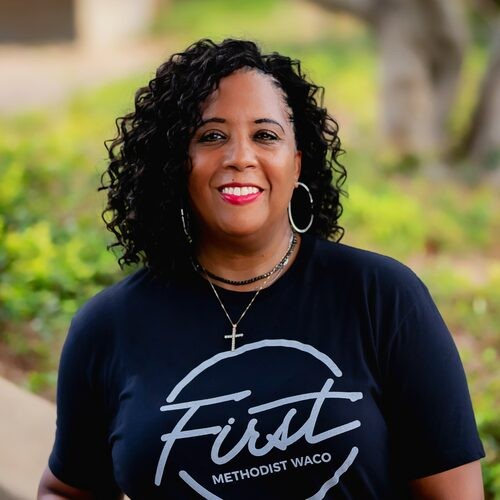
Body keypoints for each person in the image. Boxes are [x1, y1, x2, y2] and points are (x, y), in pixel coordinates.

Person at [38, 39, 485, 499]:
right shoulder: (109, 326)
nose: (240, 157)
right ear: (175, 163)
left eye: (266, 135)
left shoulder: (381, 298)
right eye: (211, 136)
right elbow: (65, 490)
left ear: (297, 164)